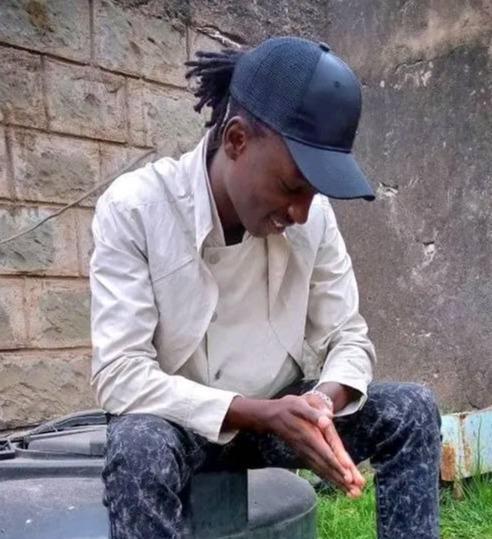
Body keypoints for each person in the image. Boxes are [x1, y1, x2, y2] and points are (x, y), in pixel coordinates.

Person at [89, 36, 441, 539]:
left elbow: (347, 336)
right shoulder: (136, 209)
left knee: (411, 409)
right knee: (136, 447)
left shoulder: (314, 218)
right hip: (179, 422)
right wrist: (259, 414)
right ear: (236, 140)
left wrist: (320, 405)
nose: (301, 212)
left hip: (281, 410)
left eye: (314, 193)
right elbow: (120, 374)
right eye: (292, 187)